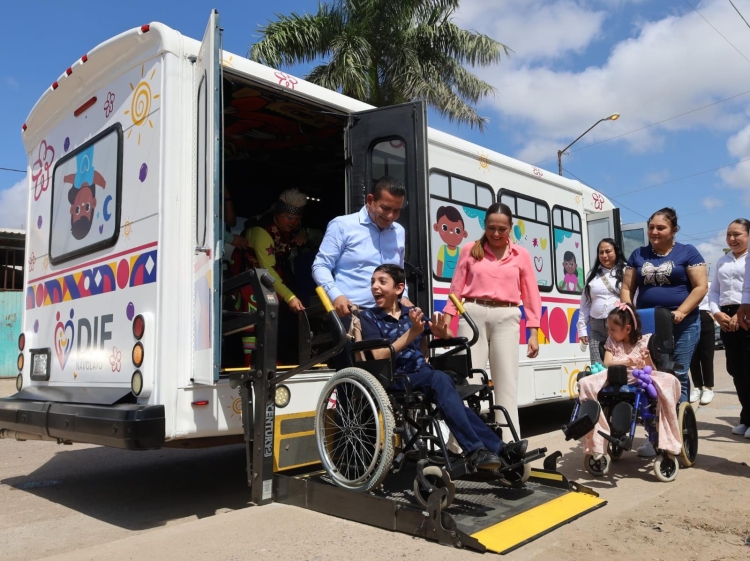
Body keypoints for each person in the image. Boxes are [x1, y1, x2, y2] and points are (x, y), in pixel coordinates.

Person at [359, 264, 528, 469]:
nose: (374, 286)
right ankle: (475, 451)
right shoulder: (369, 317)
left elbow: (445, 335)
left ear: (399, 288)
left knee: (453, 398)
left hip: (422, 374)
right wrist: (413, 333)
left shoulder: (411, 313)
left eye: (381, 282)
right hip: (395, 378)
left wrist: (443, 332)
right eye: (373, 282)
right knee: (440, 379)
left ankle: (500, 449)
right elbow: (379, 355)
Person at [442, 203, 542, 438]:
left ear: (511, 228)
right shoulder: (469, 250)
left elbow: (531, 294)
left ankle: (509, 443)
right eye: (491, 228)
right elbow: (455, 289)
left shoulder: (521, 255)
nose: (496, 234)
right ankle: (461, 444)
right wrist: (447, 324)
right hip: (472, 313)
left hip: (507, 316)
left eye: (502, 229)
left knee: (506, 383)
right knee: (468, 383)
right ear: (484, 225)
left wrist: (533, 333)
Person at [620, 207, 706, 456]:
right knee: (649, 378)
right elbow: (627, 289)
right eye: (651, 227)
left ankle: (676, 432)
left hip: (683, 323)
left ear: (674, 230)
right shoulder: (638, 254)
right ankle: (654, 434)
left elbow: (700, 287)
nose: (654, 232)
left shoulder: (688, 252)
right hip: (649, 323)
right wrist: (629, 311)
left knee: (676, 374)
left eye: (661, 228)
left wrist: (681, 312)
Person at [577, 303, 681, 460]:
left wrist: (645, 360)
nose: (609, 332)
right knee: (585, 382)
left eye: (613, 329)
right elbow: (607, 363)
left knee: (670, 380)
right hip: (615, 375)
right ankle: (596, 440)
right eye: (608, 328)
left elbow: (651, 368)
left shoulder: (644, 341)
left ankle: (669, 440)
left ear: (627, 329)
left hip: (640, 377)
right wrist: (626, 361)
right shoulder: (612, 342)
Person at [230, 188, 308, 366]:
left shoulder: (293, 228)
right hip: (250, 280)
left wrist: (304, 234)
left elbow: (310, 233)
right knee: (252, 321)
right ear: (277, 214)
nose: (293, 222)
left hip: (271, 281)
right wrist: (290, 297)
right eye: (289, 217)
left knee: (273, 320)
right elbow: (268, 271)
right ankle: (250, 362)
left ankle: (268, 359)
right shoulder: (262, 232)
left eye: (297, 218)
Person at [313, 176, 407, 316]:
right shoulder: (342, 225)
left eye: (397, 211)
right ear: (370, 200)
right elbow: (320, 266)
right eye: (385, 208)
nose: (390, 216)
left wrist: (404, 297)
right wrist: (336, 295)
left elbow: (399, 272)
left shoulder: (399, 231)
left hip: (390, 315)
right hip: (353, 313)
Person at [709, 218, 750, 438]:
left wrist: (739, 314)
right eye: (728, 235)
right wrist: (717, 313)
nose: (732, 239)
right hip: (725, 316)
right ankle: (746, 418)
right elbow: (714, 291)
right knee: (736, 369)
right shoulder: (722, 262)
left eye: (737, 234)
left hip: (747, 315)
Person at [577, 238, 627, 364]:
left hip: (619, 326)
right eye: (601, 252)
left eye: (608, 251)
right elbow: (585, 303)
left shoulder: (626, 271)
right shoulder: (592, 274)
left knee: (618, 364)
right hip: (596, 328)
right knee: (597, 366)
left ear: (616, 252)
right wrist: (582, 328)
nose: (604, 255)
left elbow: (633, 299)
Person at [689, 288, 715, 405]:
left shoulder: (708, 284)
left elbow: (716, 295)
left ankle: (708, 388)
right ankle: (697, 387)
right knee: (693, 355)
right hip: (688, 314)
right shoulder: (685, 284)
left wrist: (715, 312)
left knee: (707, 354)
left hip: (705, 314)